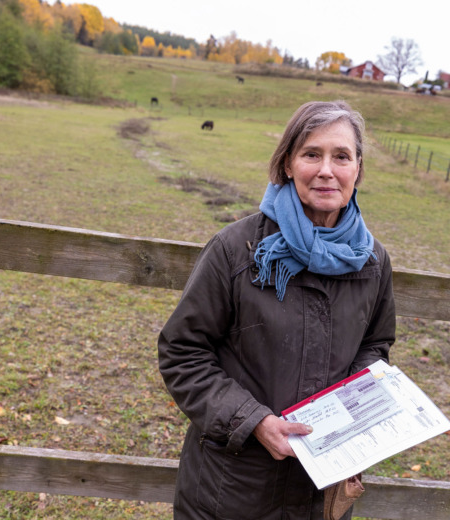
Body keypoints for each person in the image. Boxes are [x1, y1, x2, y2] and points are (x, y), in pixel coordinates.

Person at [158, 100, 396, 520]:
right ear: (287, 164)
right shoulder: (237, 250)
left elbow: (375, 345)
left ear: (357, 168)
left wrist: (357, 404)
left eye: (341, 156)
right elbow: (183, 352)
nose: (326, 170)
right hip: (232, 488)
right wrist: (253, 422)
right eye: (311, 154)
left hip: (319, 486)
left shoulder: (372, 260)